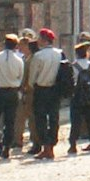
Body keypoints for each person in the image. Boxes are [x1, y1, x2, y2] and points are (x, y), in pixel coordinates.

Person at [0, 32, 25, 159]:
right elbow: (20, 77)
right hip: (12, 92)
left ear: (4, 44)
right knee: (10, 121)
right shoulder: (19, 60)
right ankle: (7, 146)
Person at [28, 28, 63, 160]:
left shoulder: (38, 56)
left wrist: (32, 85)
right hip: (55, 89)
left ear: (43, 40)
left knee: (41, 119)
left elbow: (32, 77)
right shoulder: (60, 54)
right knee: (54, 118)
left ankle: (45, 146)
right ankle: (52, 145)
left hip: (41, 89)